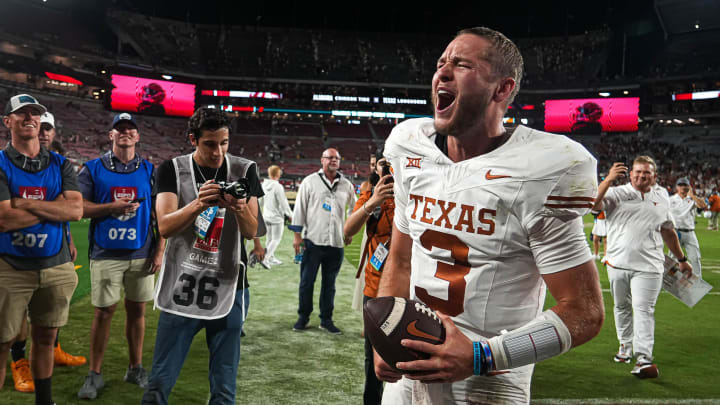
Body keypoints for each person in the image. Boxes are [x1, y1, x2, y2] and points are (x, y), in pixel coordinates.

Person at [374, 28, 605, 404]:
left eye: (462, 64)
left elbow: (585, 312)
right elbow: (400, 260)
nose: (443, 72)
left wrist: (482, 356)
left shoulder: (542, 168)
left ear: (502, 89)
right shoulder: (408, 147)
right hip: (407, 371)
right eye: (441, 63)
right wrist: (383, 336)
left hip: (486, 383)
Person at [141, 107, 263, 405]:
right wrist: (198, 203)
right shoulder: (171, 168)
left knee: (224, 383)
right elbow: (166, 226)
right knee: (160, 378)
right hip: (182, 282)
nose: (218, 152)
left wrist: (237, 206)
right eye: (210, 144)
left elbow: (252, 230)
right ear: (193, 139)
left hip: (230, 284)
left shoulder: (245, 169)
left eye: (224, 143)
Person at [0, 93, 83, 405]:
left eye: (34, 114)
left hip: (55, 264)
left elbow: (75, 211)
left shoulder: (62, 164)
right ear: (8, 121)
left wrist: (24, 203)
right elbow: (3, 219)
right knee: (2, 341)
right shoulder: (0, 162)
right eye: (21, 114)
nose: (28, 119)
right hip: (9, 265)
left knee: (46, 338)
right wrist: (52, 206)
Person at [76, 113, 165, 399]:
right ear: (111, 135)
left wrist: (160, 249)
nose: (125, 133)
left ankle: (135, 367)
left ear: (138, 136)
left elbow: (159, 214)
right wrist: (110, 207)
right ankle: (95, 374)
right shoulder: (92, 169)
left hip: (142, 251)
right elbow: (77, 208)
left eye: (130, 130)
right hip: (105, 253)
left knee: (137, 311)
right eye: (120, 129)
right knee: (104, 312)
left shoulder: (150, 169)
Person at [593, 158, 692, 379]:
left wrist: (682, 258)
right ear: (630, 174)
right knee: (621, 307)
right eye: (637, 172)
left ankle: (644, 358)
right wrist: (608, 178)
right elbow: (592, 204)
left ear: (654, 176)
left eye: (646, 173)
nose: (641, 176)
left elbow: (667, 230)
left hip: (650, 265)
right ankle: (624, 347)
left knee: (644, 309)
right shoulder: (617, 192)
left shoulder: (662, 195)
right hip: (617, 262)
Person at [343, 151, 395, 405]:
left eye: (386, 165)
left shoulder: (414, 192)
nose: (381, 171)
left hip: (407, 287)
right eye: (377, 166)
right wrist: (373, 200)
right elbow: (348, 229)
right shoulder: (370, 192)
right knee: (372, 358)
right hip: (374, 285)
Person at [291, 148, 356, 335]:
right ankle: (303, 317)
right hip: (313, 240)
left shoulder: (347, 185)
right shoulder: (310, 182)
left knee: (330, 284)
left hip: (336, 243)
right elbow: (299, 210)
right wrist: (297, 236)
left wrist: (350, 229)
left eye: (337, 158)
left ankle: (326, 320)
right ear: (322, 160)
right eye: (330, 157)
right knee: (306, 282)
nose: (334, 160)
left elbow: (354, 208)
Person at [668, 177, 706, 278]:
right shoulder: (670, 200)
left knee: (695, 257)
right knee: (673, 257)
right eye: (680, 185)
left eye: (685, 185)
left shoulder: (692, 199)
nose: (683, 187)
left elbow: (703, 206)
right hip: (675, 232)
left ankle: (698, 279)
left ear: (689, 187)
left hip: (689, 232)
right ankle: (671, 279)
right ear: (677, 187)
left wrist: (692, 195)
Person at [260, 165, 292, 266]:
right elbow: (283, 203)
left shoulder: (263, 185)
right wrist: (290, 215)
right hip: (277, 218)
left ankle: (271, 258)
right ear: (278, 174)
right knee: (276, 239)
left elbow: (260, 202)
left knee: (269, 239)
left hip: (266, 216)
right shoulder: (278, 186)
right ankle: (265, 258)